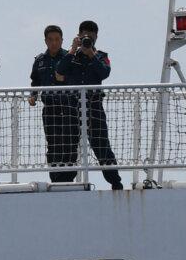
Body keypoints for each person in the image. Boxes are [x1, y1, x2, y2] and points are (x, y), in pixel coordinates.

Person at [56, 20, 124, 190]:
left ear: (96, 37)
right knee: (68, 146)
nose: (88, 40)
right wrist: (73, 50)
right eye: (85, 36)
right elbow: (60, 70)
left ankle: (115, 181)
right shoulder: (71, 56)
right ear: (79, 36)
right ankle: (65, 183)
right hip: (72, 107)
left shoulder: (101, 56)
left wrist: (91, 54)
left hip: (94, 106)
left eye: (91, 37)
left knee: (101, 145)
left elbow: (104, 73)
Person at [28, 25, 77, 182]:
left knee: (70, 143)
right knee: (53, 144)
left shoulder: (70, 57)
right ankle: (56, 177)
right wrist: (33, 96)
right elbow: (35, 81)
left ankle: (68, 178)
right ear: (45, 41)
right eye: (50, 40)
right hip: (50, 109)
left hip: (69, 107)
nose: (54, 43)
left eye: (57, 39)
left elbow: (76, 78)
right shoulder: (40, 60)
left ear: (62, 40)